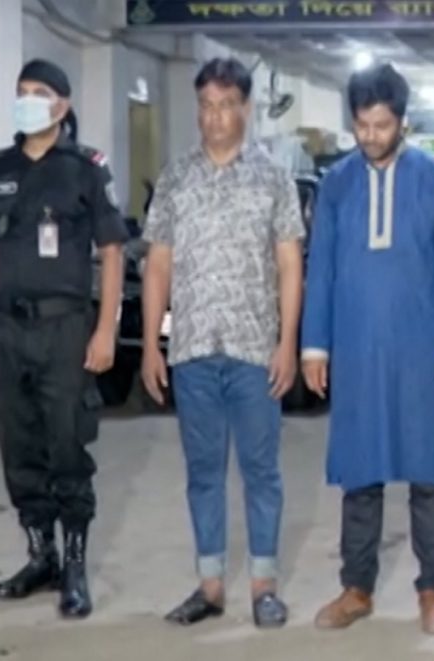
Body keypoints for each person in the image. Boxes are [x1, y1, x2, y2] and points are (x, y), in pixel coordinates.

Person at [302, 62, 434, 636]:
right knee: (360, 470)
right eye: (362, 125)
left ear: (403, 121)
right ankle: (357, 588)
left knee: (428, 472)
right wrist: (315, 346)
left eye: (381, 125)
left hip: (421, 350)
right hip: (355, 349)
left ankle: (433, 589)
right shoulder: (337, 184)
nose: (371, 136)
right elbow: (321, 268)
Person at [141, 58, 305, 629]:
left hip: (254, 352)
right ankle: (210, 586)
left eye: (226, 105)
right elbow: (158, 267)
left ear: (246, 108)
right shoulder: (175, 178)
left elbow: (290, 265)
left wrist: (287, 343)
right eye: (206, 106)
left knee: (261, 472)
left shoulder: (272, 178)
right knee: (203, 473)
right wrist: (152, 343)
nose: (214, 118)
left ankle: (264, 586)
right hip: (191, 351)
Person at [0, 59, 128, 619]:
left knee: (66, 443)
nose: (28, 100)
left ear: (62, 105)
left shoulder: (85, 169)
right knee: (16, 442)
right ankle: (41, 555)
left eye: (40, 92)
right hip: (9, 329)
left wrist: (106, 330)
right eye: (21, 91)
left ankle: (75, 565)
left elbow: (112, 253)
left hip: (65, 329)